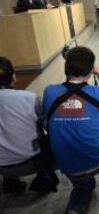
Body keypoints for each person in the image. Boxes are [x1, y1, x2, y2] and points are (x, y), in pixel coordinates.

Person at [43, 47, 99, 214]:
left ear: (66, 68)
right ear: (91, 69)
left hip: (65, 165)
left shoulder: (49, 92)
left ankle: (81, 195)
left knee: (82, 186)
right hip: (97, 161)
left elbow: (45, 121)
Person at [0, 57, 57, 195]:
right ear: (13, 76)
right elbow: (49, 126)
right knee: (57, 136)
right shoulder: (29, 98)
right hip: (31, 161)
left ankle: (10, 182)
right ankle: (44, 177)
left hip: (1, 166)